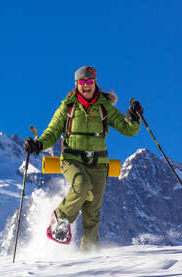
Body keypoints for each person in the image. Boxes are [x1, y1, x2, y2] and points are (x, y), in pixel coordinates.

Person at [23, 66, 142, 251]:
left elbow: (128, 129)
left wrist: (133, 118)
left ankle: (89, 257)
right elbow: (53, 131)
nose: (86, 86)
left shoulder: (105, 107)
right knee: (81, 185)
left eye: (90, 82)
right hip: (72, 160)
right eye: (82, 82)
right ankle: (60, 219)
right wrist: (38, 144)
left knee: (92, 212)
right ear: (77, 84)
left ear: (95, 83)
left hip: (99, 164)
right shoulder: (67, 107)